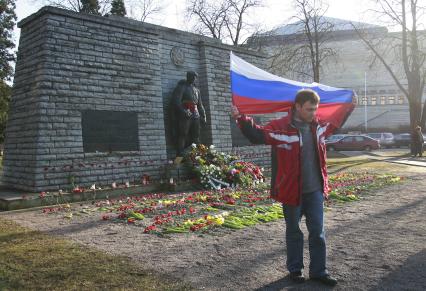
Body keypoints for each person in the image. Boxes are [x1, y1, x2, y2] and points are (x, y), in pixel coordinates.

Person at [231, 89, 340, 286]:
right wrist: (240, 117)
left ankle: (319, 271)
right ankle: (295, 270)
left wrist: (351, 105)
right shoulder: (281, 127)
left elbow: (337, 121)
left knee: (318, 233)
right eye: (309, 109)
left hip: (315, 190)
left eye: (315, 109)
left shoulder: (319, 126)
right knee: (293, 232)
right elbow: (257, 135)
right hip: (292, 191)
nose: (313, 113)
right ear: (297, 107)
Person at [171, 71, 206, 157]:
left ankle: (197, 155)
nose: (194, 79)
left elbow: (200, 105)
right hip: (186, 115)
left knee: (196, 136)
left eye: (195, 77)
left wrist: (204, 116)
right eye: (192, 77)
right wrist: (184, 111)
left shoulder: (197, 90)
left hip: (196, 115)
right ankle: (179, 155)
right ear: (188, 77)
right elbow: (176, 101)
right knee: (183, 134)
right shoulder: (181, 87)